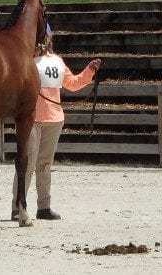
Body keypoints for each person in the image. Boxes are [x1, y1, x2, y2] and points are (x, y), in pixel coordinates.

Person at [11, 24, 101, 221]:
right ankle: (18, 205)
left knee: (44, 165)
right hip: (31, 119)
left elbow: (73, 84)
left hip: (54, 118)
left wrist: (89, 71)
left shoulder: (58, 62)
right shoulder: (26, 61)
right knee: (26, 164)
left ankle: (44, 206)